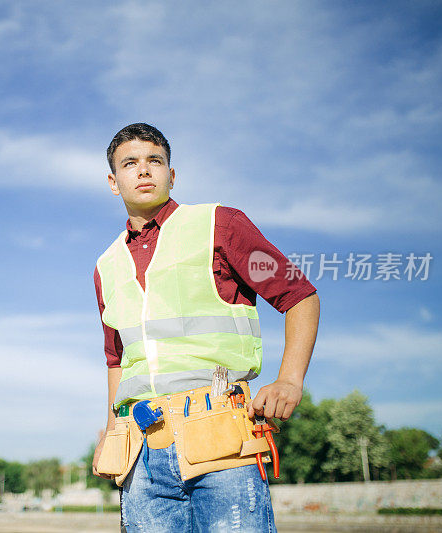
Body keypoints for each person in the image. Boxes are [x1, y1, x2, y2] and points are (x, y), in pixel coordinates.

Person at [91, 123, 320, 532]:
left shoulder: (221, 225)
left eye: (154, 161)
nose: (143, 170)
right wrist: (113, 430)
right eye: (130, 163)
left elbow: (299, 295)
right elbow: (117, 359)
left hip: (221, 438)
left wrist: (289, 380)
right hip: (141, 450)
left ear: (171, 175)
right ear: (114, 181)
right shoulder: (106, 265)